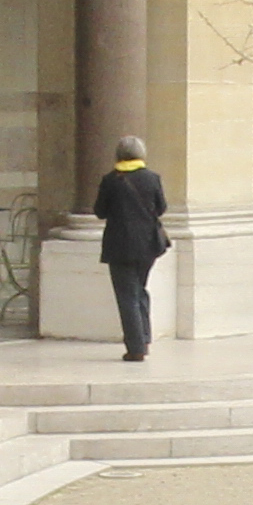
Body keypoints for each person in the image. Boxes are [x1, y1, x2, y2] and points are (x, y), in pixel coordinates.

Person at [94, 136, 167, 360]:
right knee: (140, 291)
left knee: (127, 296)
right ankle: (144, 338)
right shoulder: (152, 178)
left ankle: (135, 348)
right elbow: (162, 207)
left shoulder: (110, 180)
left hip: (120, 246)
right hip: (148, 245)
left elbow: (100, 211)